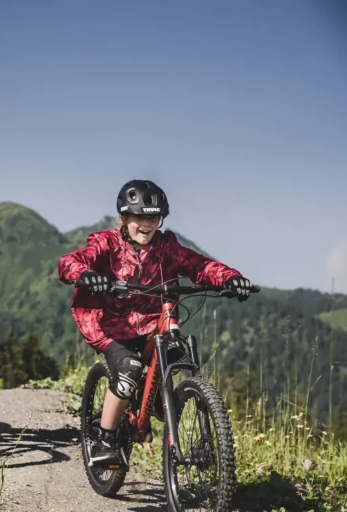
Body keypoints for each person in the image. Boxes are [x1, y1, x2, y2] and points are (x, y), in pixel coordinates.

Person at [57, 179, 253, 466]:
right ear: (124, 218)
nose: (146, 224)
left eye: (153, 217)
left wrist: (231, 278)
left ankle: (165, 407)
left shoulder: (167, 247)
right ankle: (106, 439)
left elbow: (201, 266)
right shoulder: (106, 243)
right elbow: (69, 262)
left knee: (177, 350)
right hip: (111, 323)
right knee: (128, 370)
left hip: (152, 321)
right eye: (139, 217)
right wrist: (86, 275)